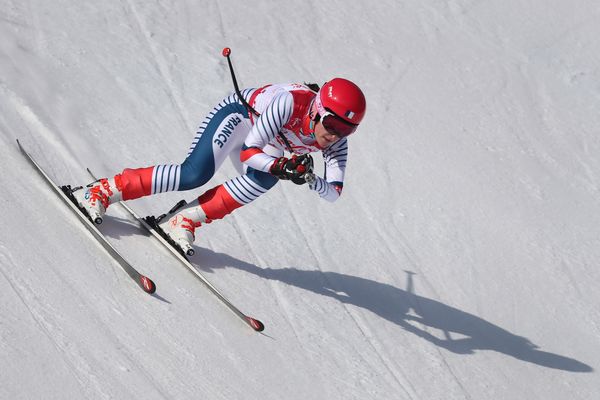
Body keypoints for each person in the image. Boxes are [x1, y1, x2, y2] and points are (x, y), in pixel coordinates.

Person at [73, 78, 367, 255]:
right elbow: (250, 151)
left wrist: (310, 178)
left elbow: (334, 194)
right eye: (332, 124)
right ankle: (100, 190)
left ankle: (183, 219)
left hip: (266, 141)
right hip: (240, 118)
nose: (335, 135)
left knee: (264, 180)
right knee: (194, 174)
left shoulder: (337, 143)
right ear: (317, 112)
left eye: (347, 130)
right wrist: (281, 166)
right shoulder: (290, 103)